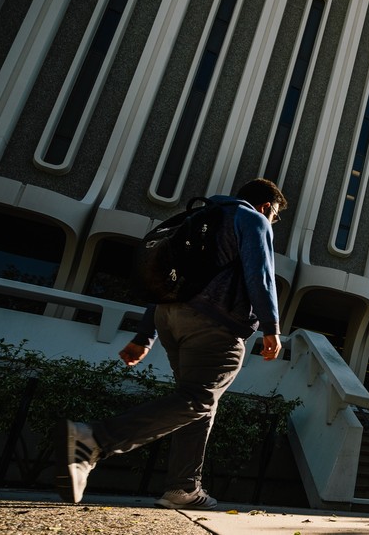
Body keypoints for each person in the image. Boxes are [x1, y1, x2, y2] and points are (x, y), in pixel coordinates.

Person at [55, 178, 288, 510]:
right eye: (274, 215)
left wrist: (143, 335)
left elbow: (171, 278)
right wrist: (271, 327)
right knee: (198, 399)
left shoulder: (204, 217)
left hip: (170, 320)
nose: (272, 221)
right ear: (266, 206)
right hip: (214, 324)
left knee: (195, 404)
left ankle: (183, 488)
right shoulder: (251, 219)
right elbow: (260, 274)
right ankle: (93, 439)